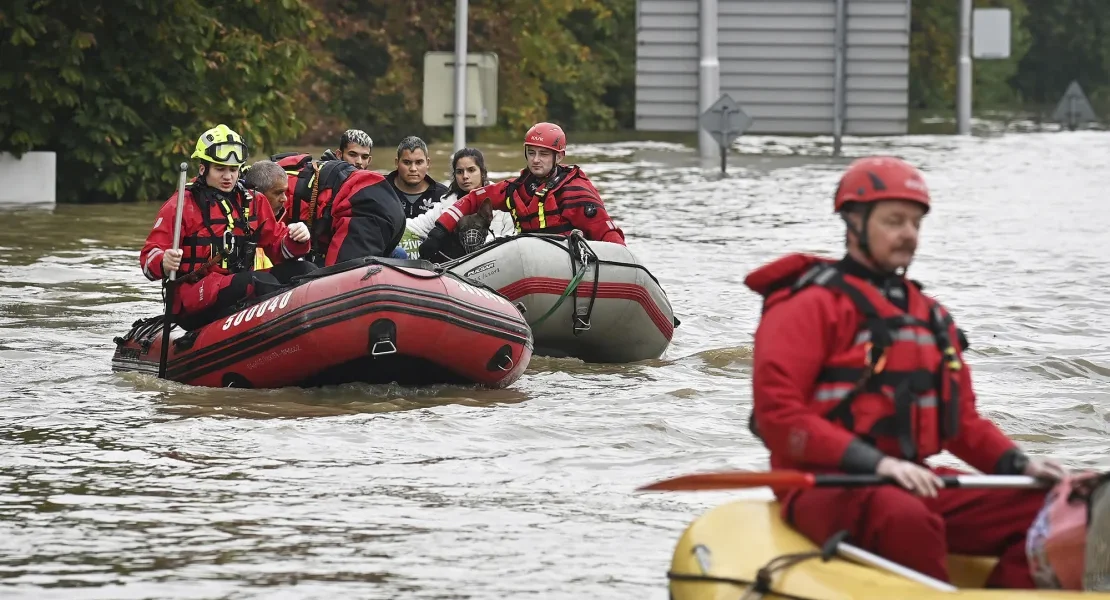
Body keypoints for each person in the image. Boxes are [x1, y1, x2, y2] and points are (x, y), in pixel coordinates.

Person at [742, 156, 1067, 588]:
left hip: (909, 478)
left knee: (1054, 512)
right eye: (895, 221)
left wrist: (1021, 463)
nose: (909, 235)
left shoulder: (930, 317)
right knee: (905, 517)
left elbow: (962, 425)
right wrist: (877, 464)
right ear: (854, 221)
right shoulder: (807, 305)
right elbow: (778, 417)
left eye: (915, 223)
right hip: (825, 484)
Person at [140, 124, 314, 330]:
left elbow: (277, 246)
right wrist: (164, 260)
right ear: (203, 169)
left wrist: (297, 238)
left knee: (306, 269)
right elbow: (148, 258)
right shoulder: (180, 205)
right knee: (255, 281)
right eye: (220, 169)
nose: (228, 176)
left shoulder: (253, 201)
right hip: (195, 296)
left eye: (233, 170)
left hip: (239, 284)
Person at [418, 122, 625, 260]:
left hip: (567, 264)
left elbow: (606, 232)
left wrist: (623, 265)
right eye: (531, 153)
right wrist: (439, 231)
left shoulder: (575, 190)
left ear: (559, 157)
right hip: (531, 264)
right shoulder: (514, 188)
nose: (535, 160)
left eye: (544, 154)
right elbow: (472, 200)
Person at [286, 158, 406, 266]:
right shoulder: (294, 176)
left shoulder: (278, 190)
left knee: (337, 277)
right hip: (392, 207)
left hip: (363, 207)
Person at [401, 147, 514, 257]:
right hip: (455, 268)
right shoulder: (446, 205)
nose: (465, 176)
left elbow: (513, 239)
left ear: (482, 172)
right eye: (459, 172)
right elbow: (414, 226)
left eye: (471, 170)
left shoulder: (503, 200)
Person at [270, 128, 374, 216]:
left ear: (369, 160)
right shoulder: (324, 180)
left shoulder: (372, 185)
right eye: (352, 155)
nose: (359, 162)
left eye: (364, 157)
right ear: (339, 154)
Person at [386, 136, 449, 219]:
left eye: (419, 162)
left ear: (428, 163)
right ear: (397, 163)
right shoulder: (381, 189)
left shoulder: (443, 196)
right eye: (407, 162)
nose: (413, 169)